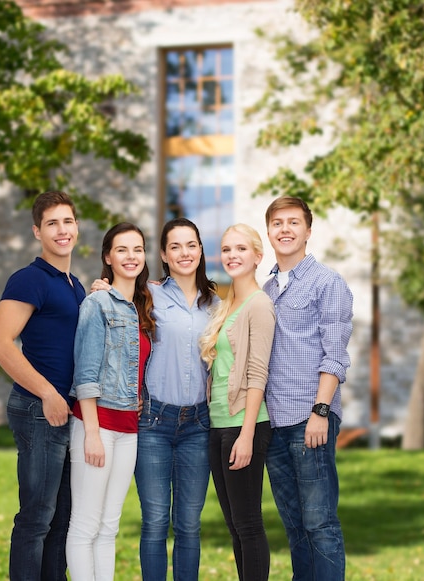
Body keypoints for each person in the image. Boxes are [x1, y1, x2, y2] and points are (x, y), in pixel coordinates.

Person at [0, 191, 85, 581]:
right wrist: (47, 393)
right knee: (36, 520)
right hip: (37, 410)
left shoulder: (73, 284)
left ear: (77, 226)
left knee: (61, 520)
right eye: (52, 224)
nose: (62, 230)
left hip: (65, 411)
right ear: (37, 232)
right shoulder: (29, 279)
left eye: (68, 221)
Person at [262, 196, 353, 581]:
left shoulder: (327, 282)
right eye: (278, 223)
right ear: (269, 232)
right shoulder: (265, 289)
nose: (285, 229)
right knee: (295, 526)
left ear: (308, 231)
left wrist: (320, 412)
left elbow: (335, 354)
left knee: (320, 524)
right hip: (274, 423)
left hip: (309, 418)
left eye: (293, 222)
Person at [66, 222, 155, 581]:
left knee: (109, 526)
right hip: (97, 425)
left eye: (137, 249)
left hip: (128, 429)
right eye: (122, 249)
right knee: (85, 523)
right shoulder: (97, 303)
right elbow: (85, 373)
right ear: (108, 257)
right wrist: (90, 432)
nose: (131, 256)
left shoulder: (141, 309)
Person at [135, 218, 218, 581]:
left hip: (199, 425)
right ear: (164, 256)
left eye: (191, 245)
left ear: (200, 250)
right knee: (154, 522)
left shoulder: (216, 303)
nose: (185, 253)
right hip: (153, 422)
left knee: (189, 524)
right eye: (175, 247)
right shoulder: (148, 295)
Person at [199, 224, 276, 581]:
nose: (232, 255)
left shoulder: (259, 305)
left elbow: (258, 373)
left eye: (241, 249)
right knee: (234, 524)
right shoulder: (228, 303)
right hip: (218, 426)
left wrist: (246, 435)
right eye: (227, 249)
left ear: (257, 257)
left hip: (244, 425)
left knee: (248, 523)